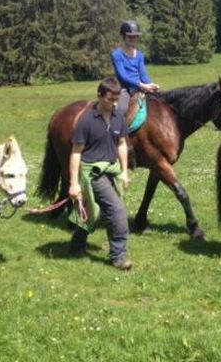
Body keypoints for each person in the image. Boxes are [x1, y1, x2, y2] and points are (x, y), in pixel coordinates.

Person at [68, 77, 132, 270]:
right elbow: (76, 152)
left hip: (112, 169)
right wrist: (74, 183)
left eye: (116, 99)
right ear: (99, 95)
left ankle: (77, 242)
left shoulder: (118, 116)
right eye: (110, 99)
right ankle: (118, 256)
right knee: (117, 209)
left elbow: (121, 144)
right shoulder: (86, 121)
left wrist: (124, 171)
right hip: (93, 172)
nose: (113, 103)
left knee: (93, 211)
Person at [110, 20, 160, 119]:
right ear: (123, 36)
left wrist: (151, 84)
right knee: (121, 109)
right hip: (124, 90)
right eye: (130, 36)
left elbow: (143, 75)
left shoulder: (140, 55)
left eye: (135, 36)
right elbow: (123, 77)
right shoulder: (116, 54)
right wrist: (141, 85)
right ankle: (115, 132)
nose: (133, 39)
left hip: (140, 88)